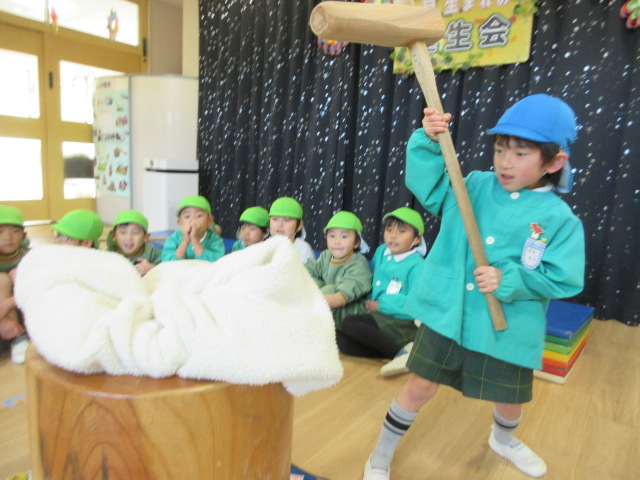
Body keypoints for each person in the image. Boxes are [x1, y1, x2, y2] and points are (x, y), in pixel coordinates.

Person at [363, 94, 585, 480]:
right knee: (419, 385)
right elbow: (431, 187)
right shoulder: (475, 186)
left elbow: (563, 277)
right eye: (500, 149)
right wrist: (428, 141)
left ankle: (503, 439)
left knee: (509, 398)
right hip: (448, 315)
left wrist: (509, 279)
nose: (505, 162)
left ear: (554, 162)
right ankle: (379, 455)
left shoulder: (559, 219)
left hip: (507, 327)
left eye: (520, 153)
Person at [337, 207, 426, 377]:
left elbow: (417, 304)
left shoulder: (417, 265)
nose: (393, 236)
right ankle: (402, 351)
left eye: (402, 231)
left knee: (349, 323)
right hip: (379, 316)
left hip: (402, 321)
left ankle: (400, 354)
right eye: (389, 230)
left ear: (417, 239)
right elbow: (376, 282)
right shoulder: (381, 252)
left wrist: (381, 305)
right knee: (341, 340)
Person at [305, 211, 372, 330]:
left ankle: (307, 320)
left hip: (350, 309)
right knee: (312, 281)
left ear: (356, 242)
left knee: (330, 288)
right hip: (325, 302)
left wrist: (311, 303)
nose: (336, 242)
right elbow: (310, 269)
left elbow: (342, 297)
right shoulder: (326, 255)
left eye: (344, 236)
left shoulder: (358, 263)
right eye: (332, 236)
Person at [0, 206, 31, 364]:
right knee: (2, 279)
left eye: (14, 231)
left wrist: (8, 303)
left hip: (19, 304)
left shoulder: (28, 255)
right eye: (0, 232)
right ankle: (17, 337)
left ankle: (32, 331)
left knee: (17, 273)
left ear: (24, 235)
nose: (7, 237)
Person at [162, 195, 224, 262]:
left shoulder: (215, 240)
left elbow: (215, 263)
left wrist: (195, 240)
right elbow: (167, 263)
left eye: (199, 216)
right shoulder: (173, 239)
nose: (193, 221)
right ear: (180, 223)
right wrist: (185, 241)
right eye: (187, 216)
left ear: (209, 221)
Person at [106, 210, 161, 275]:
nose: (129, 238)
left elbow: (166, 268)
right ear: (114, 235)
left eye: (135, 232)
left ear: (145, 237)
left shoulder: (151, 252)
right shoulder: (109, 254)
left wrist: (151, 268)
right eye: (123, 232)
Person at [268, 197, 314, 264]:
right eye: (275, 219)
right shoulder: (265, 245)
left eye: (286, 220)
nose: (280, 224)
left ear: (300, 225)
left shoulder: (303, 249)